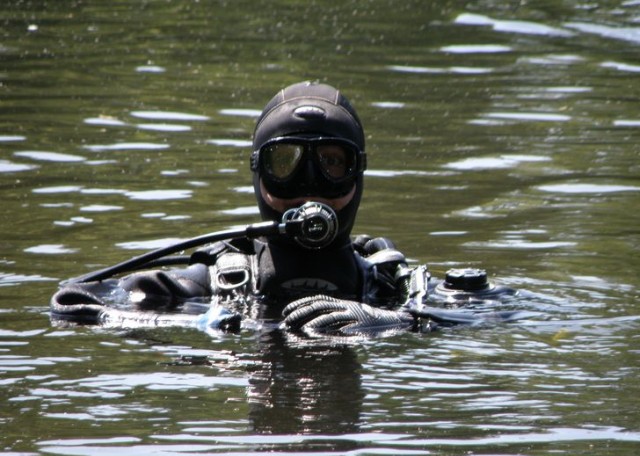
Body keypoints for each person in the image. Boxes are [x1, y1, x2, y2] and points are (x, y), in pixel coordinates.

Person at [50, 81, 513, 336]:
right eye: (285, 165)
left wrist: (396, 320)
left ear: (357, 174)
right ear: (259, 173)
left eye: (332, 164)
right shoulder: (215, 281)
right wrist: (201, 321)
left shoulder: (389, 285)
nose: (310, 186)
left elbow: (508, 315)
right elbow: (70, 304)